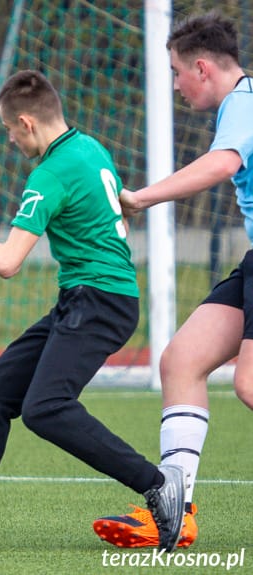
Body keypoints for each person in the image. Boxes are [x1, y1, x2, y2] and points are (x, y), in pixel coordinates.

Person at [0, 70, 186, 553]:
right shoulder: (91, 149)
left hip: (98, 300)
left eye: (9, 129)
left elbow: (7, 262)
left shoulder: (49, 173)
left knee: (45, 408)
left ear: (27, 123)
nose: (9, 139)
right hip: (87, 299)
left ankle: (158, 483)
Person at [93, 11, 253, 549]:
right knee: (181, 360)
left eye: (176, 73)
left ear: (202, 68)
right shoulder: (240, 103)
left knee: (249, 384)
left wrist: (141, 196)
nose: (176, 86)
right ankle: (174, 511)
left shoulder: (245, 102)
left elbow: (221, 165)